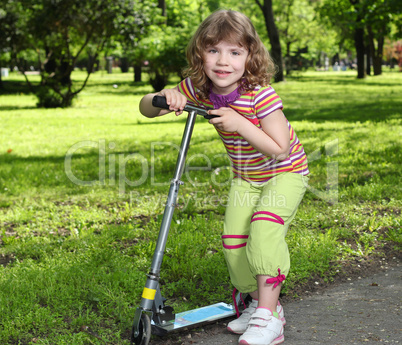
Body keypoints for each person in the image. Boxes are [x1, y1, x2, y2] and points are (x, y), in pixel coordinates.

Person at [139, 9, 309, 345]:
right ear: (200, 53)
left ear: (250, 56)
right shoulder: (199, 88)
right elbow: (147, 107)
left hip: (285, 172)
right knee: (233, 242)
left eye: (235, 52)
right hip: (246, 176)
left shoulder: (261, 94)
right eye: (213, 50)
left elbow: (280, 148)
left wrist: (241, 124)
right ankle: (256, 303)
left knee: (263, 232)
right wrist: (165, 96)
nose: (223, 61)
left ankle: (270, 315)